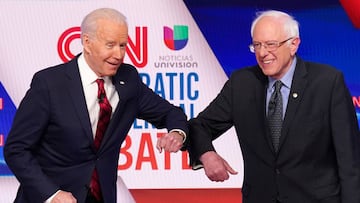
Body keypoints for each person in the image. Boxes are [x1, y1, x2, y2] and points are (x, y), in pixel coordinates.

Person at [4, 8, 187, 203]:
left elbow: (170, 112)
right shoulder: (49, 83)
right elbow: (16, 150)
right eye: (110, 45)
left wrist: (177, 132)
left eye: (123, 45)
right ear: (87, 42)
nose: (118, 54)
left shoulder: (128, 79)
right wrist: (51, 194)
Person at [186, 10, 360, 203]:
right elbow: (199, 125)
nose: (262, 53)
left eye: (271, 45)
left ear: (294, 44)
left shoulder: (327, 82)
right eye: (257, 45)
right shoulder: (242, 83)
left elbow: (350, 160)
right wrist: (206, 154)